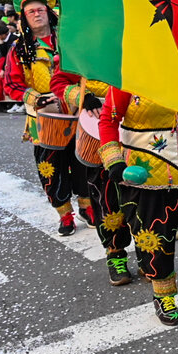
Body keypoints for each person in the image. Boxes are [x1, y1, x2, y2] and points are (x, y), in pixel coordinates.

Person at [97, 58, 178, 326]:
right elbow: (108, 119)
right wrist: (114, 161)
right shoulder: (128, 70)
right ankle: (164, 296)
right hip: (147, 173)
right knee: (154, 238)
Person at [3, 0, 93, 237]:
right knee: (51, 168)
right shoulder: (19, 49)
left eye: (40, 9)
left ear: (49, 11)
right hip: (44, 119)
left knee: (83, 160)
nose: (36, 14)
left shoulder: (69, 41)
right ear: (24, 18)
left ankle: (87, 206)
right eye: (30, 11)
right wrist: (35, 98)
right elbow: (11, 84)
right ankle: (65, 214)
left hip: (76, 111)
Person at [50, 68, 136, 287]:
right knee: (107, 197)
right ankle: (115, 254)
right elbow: (59, 81)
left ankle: (147, 253)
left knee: (144, 197)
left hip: (141, 126)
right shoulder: (85, 39)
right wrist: (82, 97)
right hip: (101, 126)